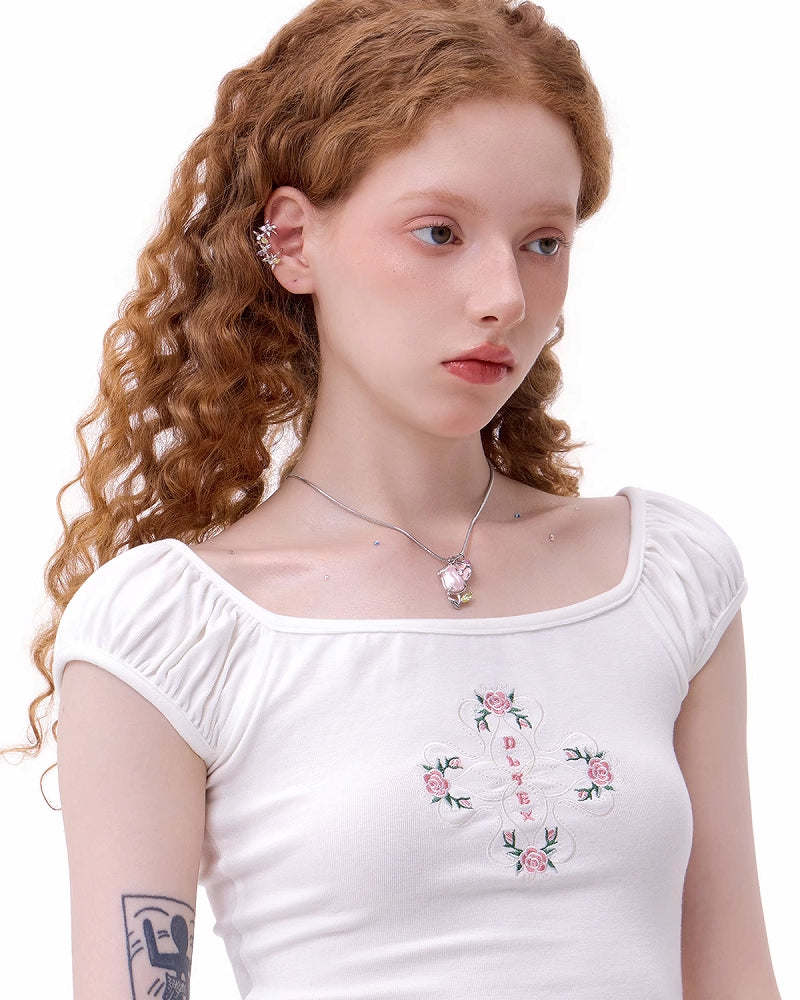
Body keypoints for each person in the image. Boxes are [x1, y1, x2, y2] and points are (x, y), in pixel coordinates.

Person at [12, 0, 781, 996]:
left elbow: (733, 975)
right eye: (438, 232)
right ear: (293, 241)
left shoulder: (665, 579)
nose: (503, 295)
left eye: (543, 242)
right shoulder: (175, 630)